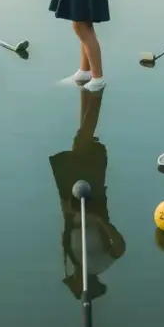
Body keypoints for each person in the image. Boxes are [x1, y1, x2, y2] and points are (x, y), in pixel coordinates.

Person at [49, 87, 126, 300]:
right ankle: (94, 95)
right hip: (91, 199)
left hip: (72, 202)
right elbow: (120, 248)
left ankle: (90, 94)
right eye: (72, 281)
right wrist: (99, 221)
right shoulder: (96, 266)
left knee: (80, 144)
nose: (70, 278)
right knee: (81, 142)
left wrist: (67, 212)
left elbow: (69, 231)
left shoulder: (72, 263)